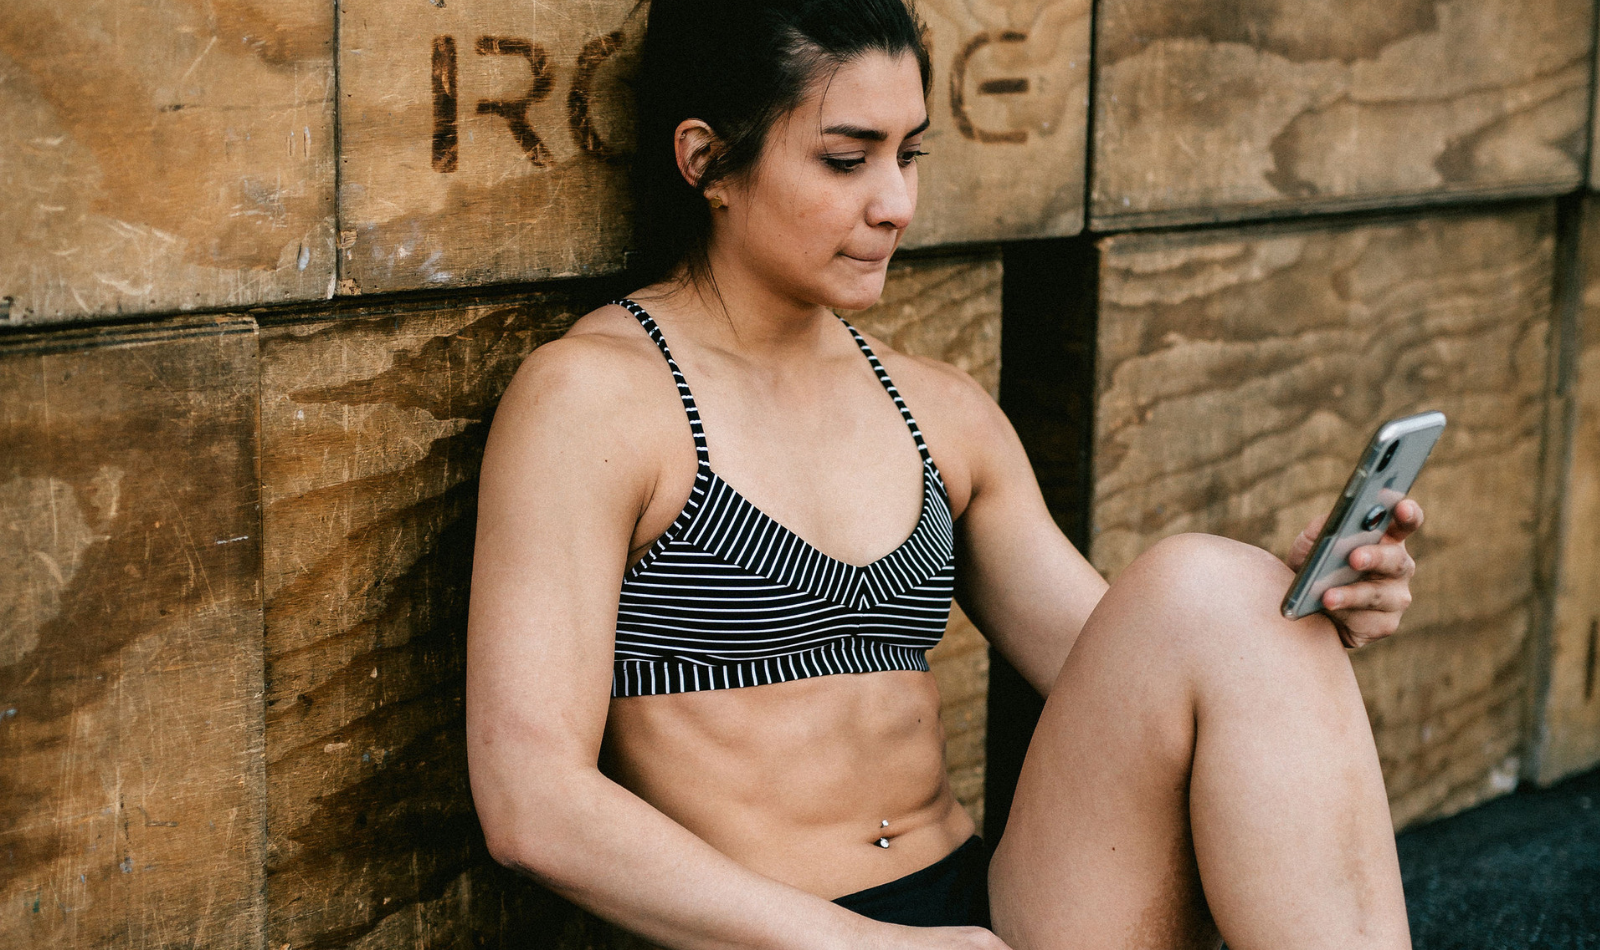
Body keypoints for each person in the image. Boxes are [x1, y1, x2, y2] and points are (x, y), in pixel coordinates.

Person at [465, 1, 1422, 947]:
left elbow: (1132, 677)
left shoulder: (936, 410)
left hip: (992, 915)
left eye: (909, 154)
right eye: (847, 160)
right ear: (706, 160)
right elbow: (532, 804)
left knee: (1229, 597)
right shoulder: (596, 401)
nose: (896, 203)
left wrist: (1295, 633)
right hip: (785, 937)